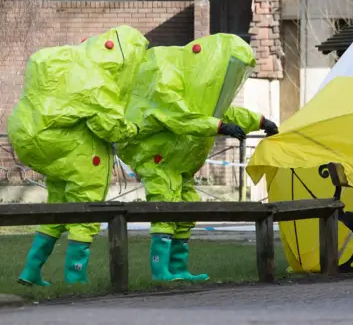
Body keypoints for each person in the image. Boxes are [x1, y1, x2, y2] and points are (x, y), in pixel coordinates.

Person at [117, 33, 279, 282]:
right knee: (166, 207)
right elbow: (177, 115)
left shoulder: (202, 89)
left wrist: (259, 121)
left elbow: (222, 111)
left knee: (187, 207)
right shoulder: (167, 76)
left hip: (181, 162)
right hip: (158, 158)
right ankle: (160, 271)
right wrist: (219, 126)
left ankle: (178, 268)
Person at [8, 25, 149, 286]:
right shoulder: (97, 78)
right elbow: (110, 126)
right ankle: (76, 278)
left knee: (57, 210)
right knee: (86, 210)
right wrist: (134, 129)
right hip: (80, 153)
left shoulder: (70, 62)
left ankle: (30, 271)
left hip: (41, 143)